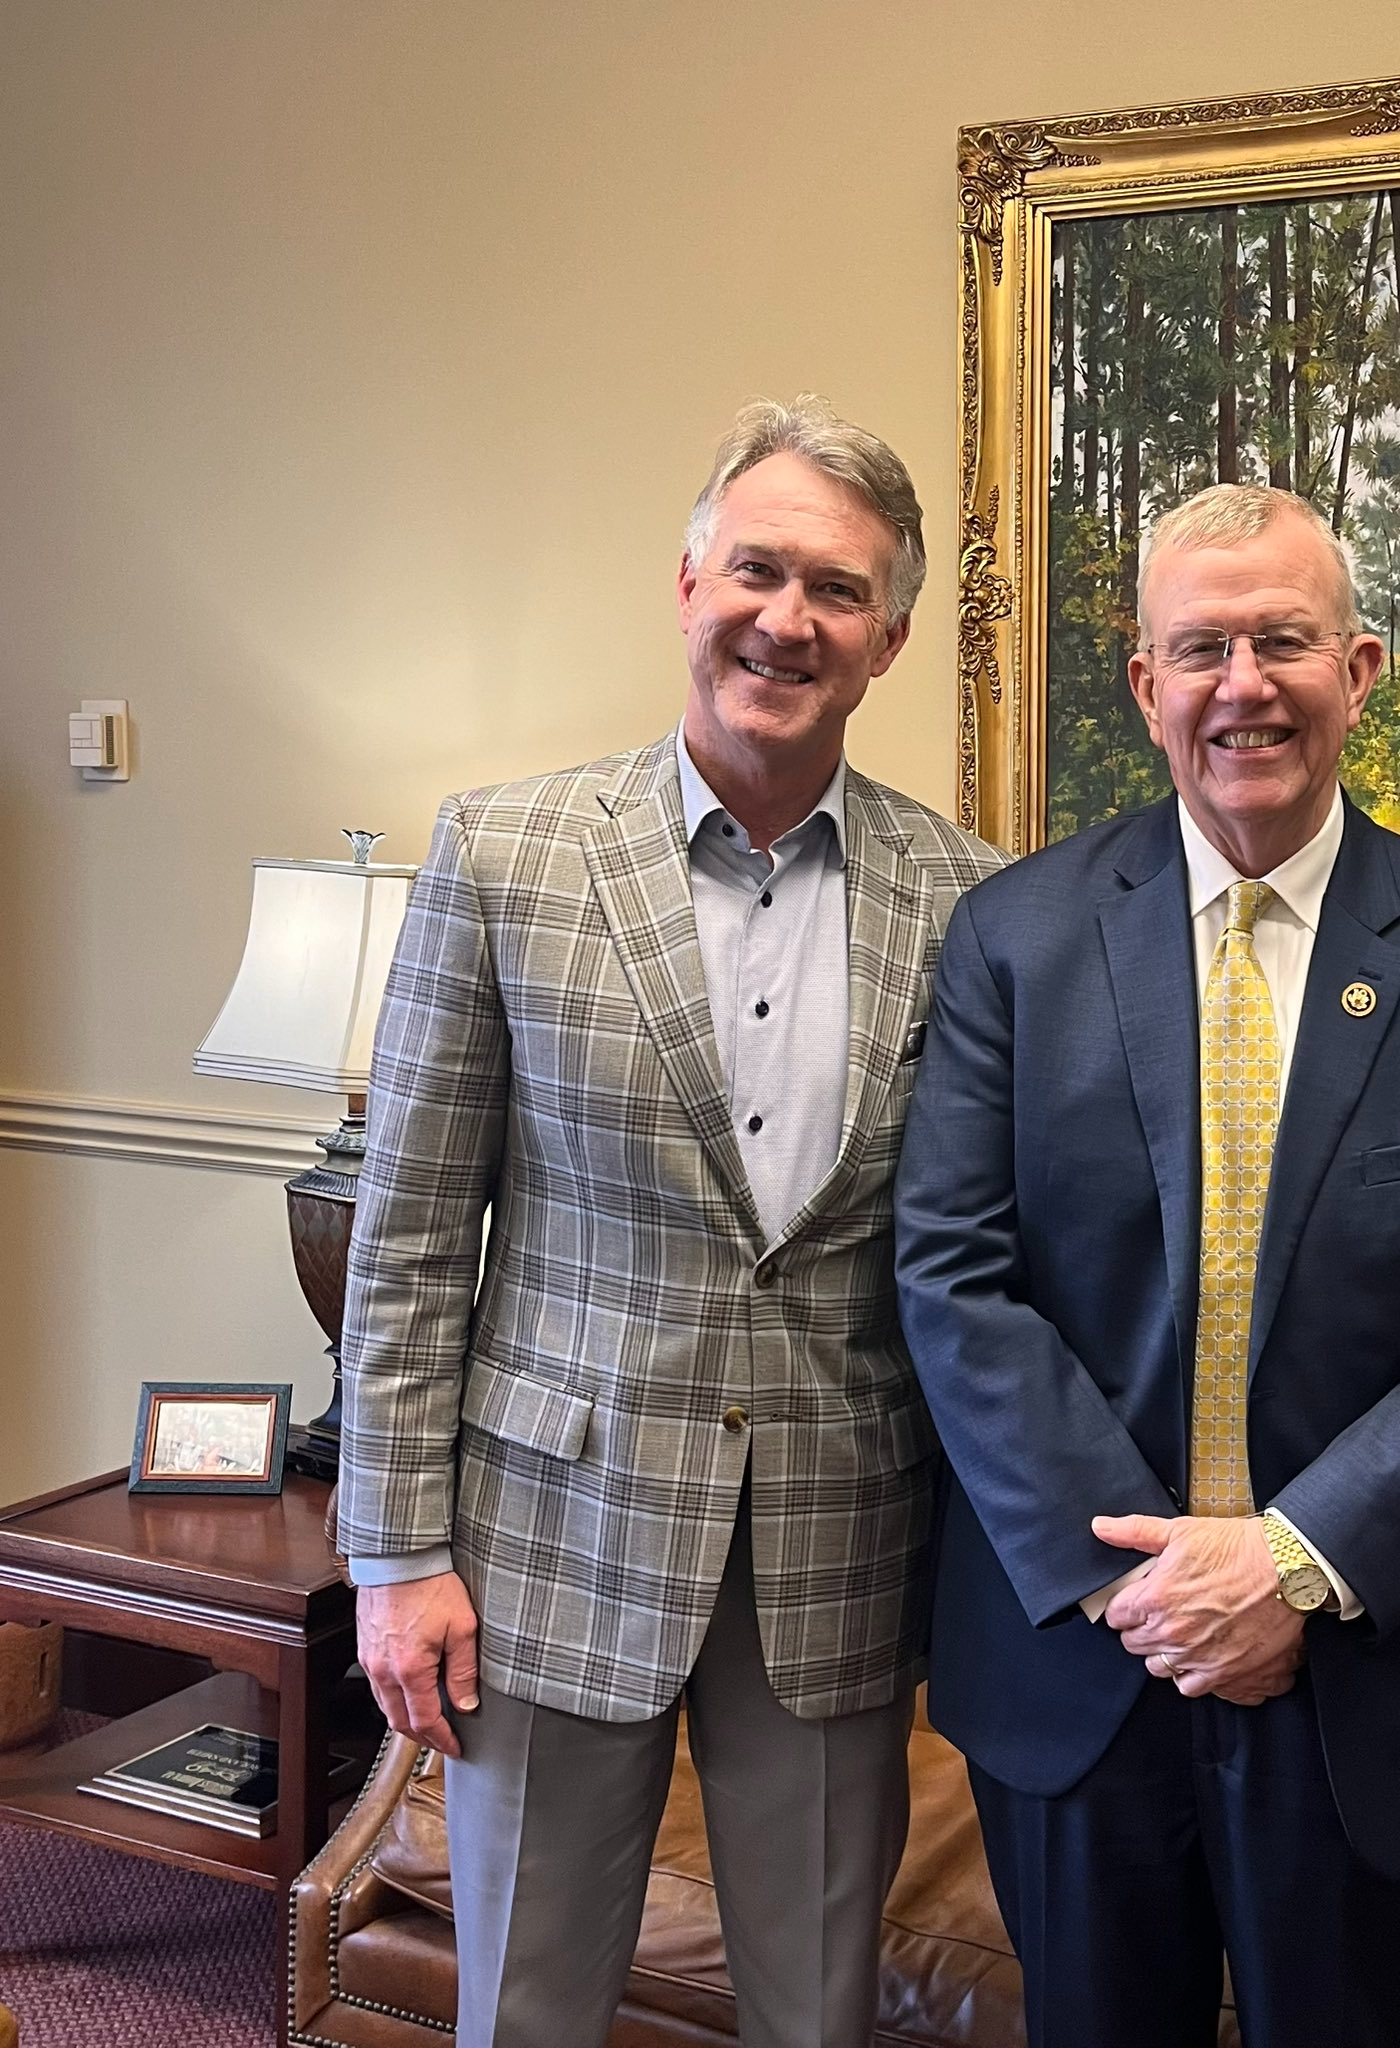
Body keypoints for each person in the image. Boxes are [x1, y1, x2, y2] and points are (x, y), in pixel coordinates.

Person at [895, 483, 1400, 2048]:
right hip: (1085, 1653)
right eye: (1201, 647)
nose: (1244, 685)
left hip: (1368, 1659)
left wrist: (1288, 1561)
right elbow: (954, 1272)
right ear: (1146, 685)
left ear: (1358, 670)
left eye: (1282, 641)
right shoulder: (1011, 942)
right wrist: (1153, 1583)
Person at [338, 396, 1004, 2048]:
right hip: (548, 1538)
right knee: (530, 2012)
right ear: (688, 583)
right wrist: (393, 1554)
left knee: (814, 2019)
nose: (788, 619)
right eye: (756, 571)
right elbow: (412, 1239)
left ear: (890, 639)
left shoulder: (978, 902)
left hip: (837, 1554)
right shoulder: (506, 856)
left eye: (836, 592)